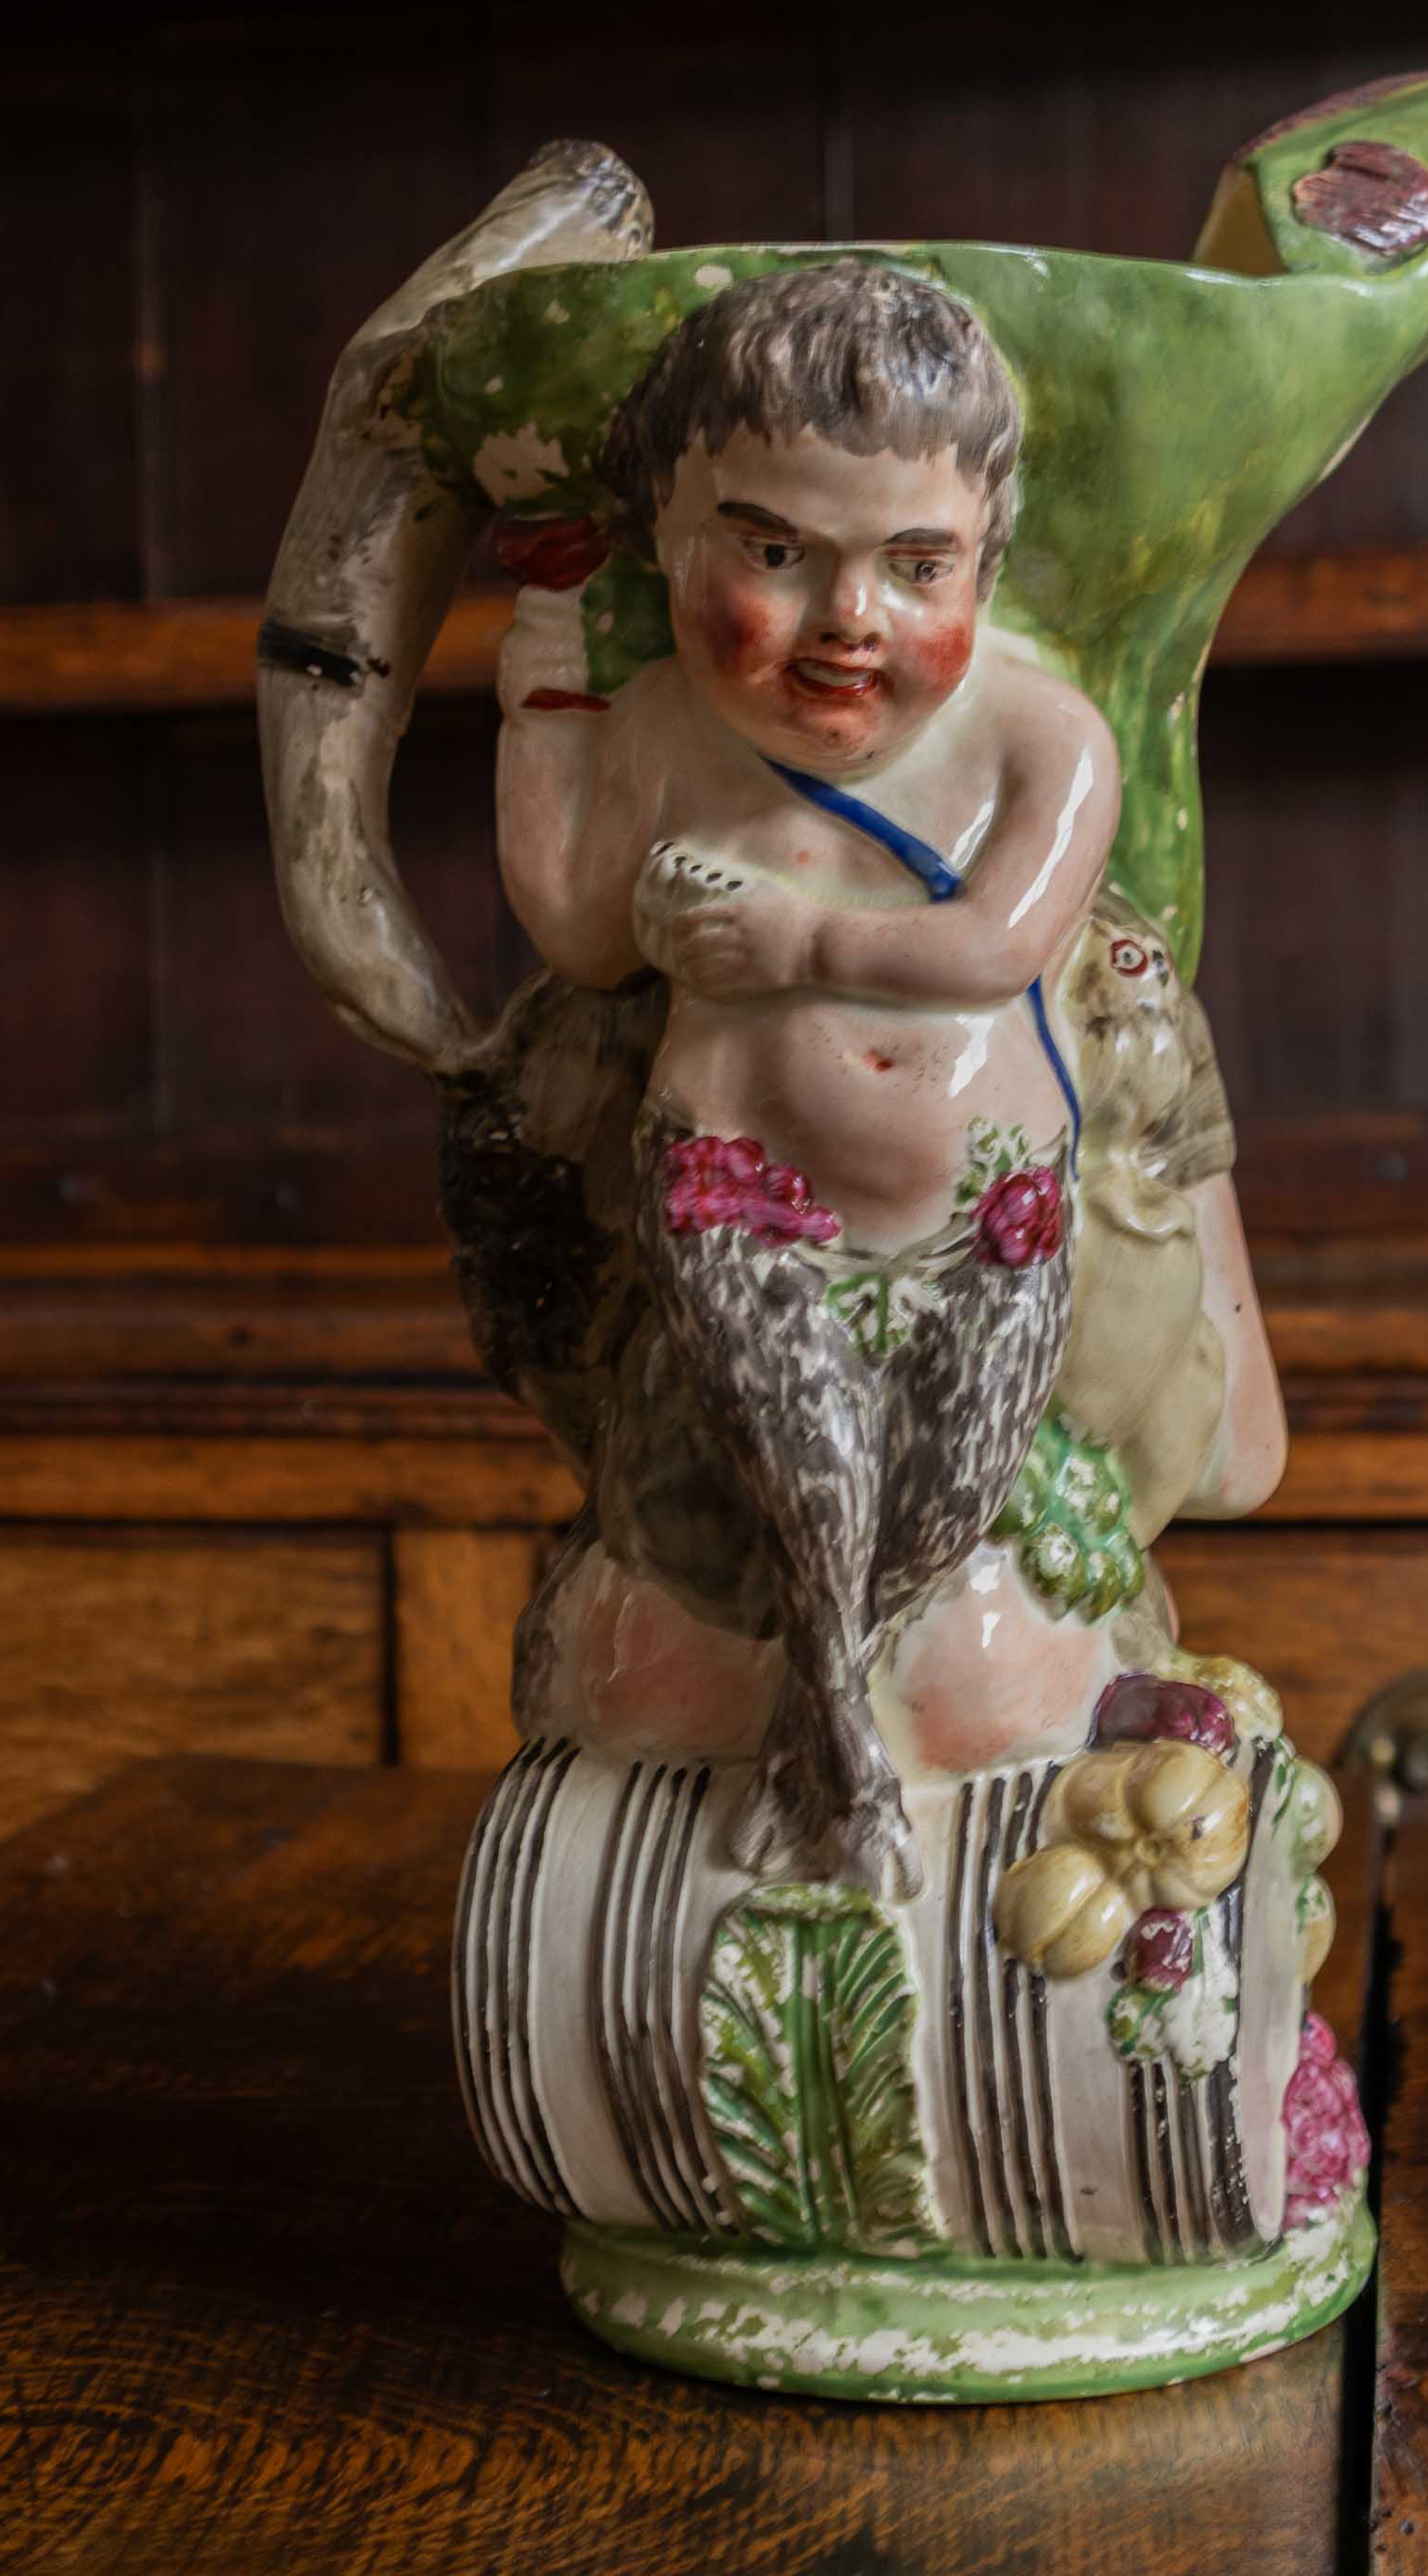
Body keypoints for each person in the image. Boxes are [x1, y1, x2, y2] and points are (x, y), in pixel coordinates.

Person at [494, 259, 1121, 1896]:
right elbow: (575, 931)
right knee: (812, 1478)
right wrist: (542, 690)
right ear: (671, 536)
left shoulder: (1042, 740)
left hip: (987, 1199)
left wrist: (792, 944)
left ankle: (816, 1728)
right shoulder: (661, 729)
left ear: (988, 546)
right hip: (743, 1190)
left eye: (917, 566)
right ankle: (844, 1729)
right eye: (776, 554)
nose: (853, 622)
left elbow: (997, 943)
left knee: (939, 1489)